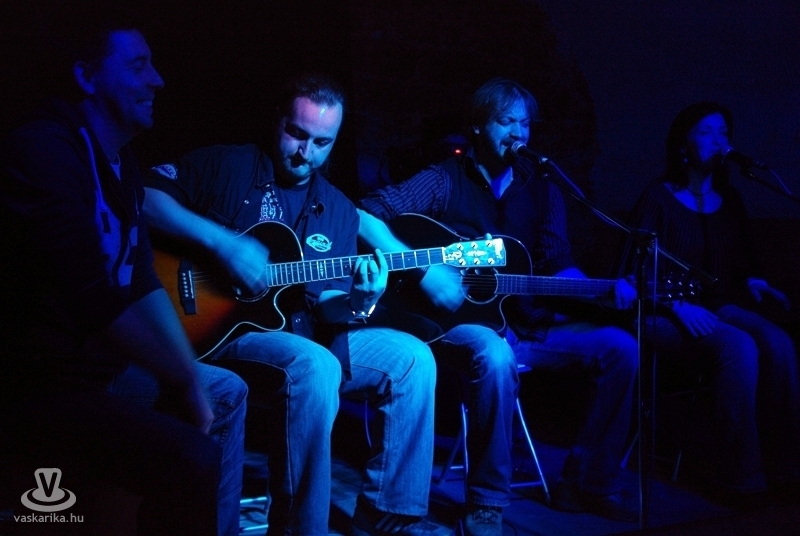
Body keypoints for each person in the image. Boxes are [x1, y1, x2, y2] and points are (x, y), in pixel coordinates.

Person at [142, 73, 447, 536]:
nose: (306, 153)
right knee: (315, 364)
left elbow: (326, 305)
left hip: (304, 328)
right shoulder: (227, 165)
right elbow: (144, 196)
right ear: (278, 120)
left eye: (323, 143)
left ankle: (387, 521)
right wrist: (223, 243)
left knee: (412, 359)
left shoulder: (337, 208)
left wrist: (360, 302)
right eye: (297, 134)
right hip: (219, 328)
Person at [0, 16, 247, 536]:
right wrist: (180, 380)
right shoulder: (45, 150)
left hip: (95, 371)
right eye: (138, 66)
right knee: (191, 456)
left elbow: (140, 279)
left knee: (222, 391)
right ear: (87, 76)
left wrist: (187, 373)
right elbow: (91, 294)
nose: (157, 80)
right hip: (39, 384)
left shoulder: (122, 163)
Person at [358, 77, 640, 532]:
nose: (518, 133)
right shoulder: (444, 179)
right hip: (460, 325)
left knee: (622, 349)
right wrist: (427, 270)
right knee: (494, 354)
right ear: (478, 126)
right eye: (506, 121)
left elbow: (558, 262)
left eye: (524, 124)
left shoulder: (543, 187)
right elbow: (367, 210)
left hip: (530, 325)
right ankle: (486, 503)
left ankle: (587, 482)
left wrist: (602, 290)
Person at [618, 101, 800, 504]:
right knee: (738, 346)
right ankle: (741, 478)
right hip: (660, 310)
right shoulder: (658, 197)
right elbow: (631, 273)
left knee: (779, 343)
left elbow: (740, 261)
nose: (718, 140)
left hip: (715, 305)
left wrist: (754, 281)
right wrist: (675, 305)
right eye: (706, 132)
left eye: (723, 132)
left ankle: (787, 467)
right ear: (683, 145)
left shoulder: (729, 200)